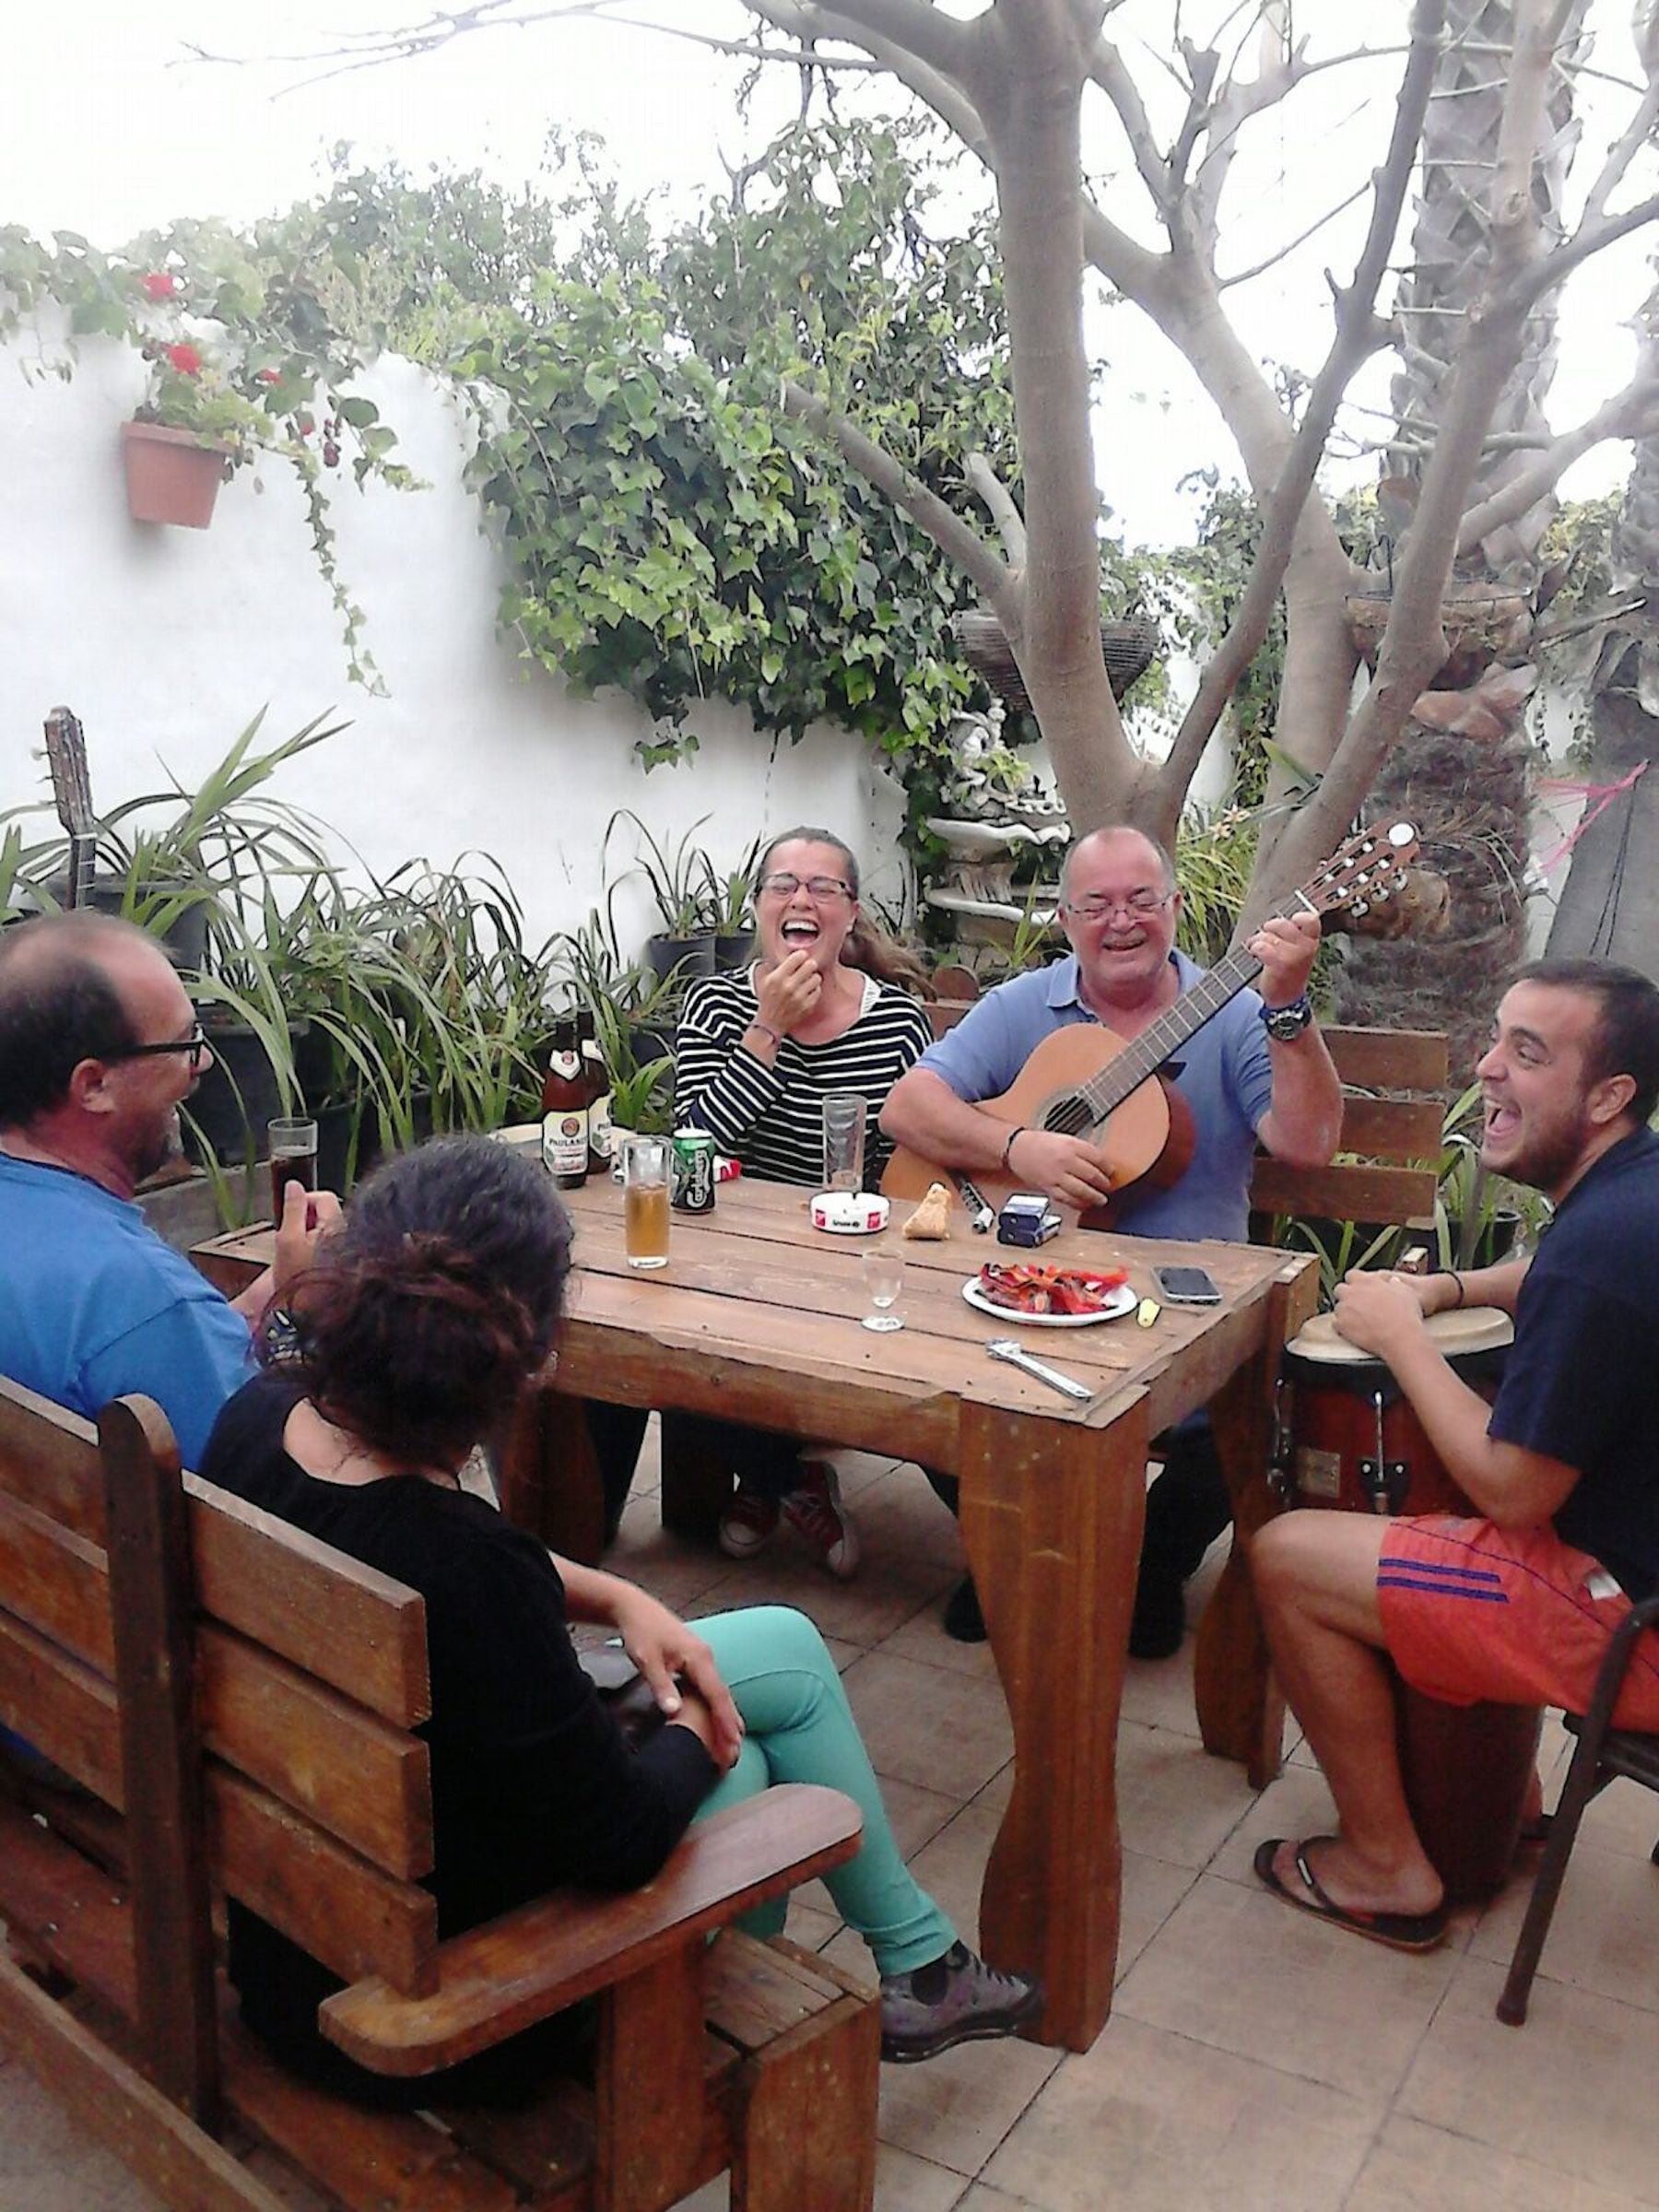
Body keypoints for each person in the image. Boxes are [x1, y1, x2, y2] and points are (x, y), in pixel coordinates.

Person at [200, 1134, 1042, 2094]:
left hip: (293, 1948)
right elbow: (621, 1838)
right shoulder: (473, 1571)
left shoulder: (254, 1425)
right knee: (757, 1769)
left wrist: (618, 1593)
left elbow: (436, 1554)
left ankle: (919, 1965)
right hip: (446, 2012)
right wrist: (692, 1717)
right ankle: (720, 2030)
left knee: (784, 1649)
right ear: (528, 1359)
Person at [1248, 958, 1659, 1950]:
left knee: (1289, 1555)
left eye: (1528, 1053)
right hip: (1635, 1571)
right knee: (1430, 1535)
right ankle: (1505, 1808)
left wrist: (1397, 1337)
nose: (1488, 1070)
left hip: (1629, 1625)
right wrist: (1450, 1291)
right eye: (1496, 1041)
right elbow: (1557, 1275)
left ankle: (1388, 1868)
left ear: (1609, 1096)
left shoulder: (1608, 1249)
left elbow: (1514, 1491)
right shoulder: (1632, 1190)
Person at [879, 824, 1341, 1649]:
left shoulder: (1237, 1015)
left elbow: (1307, 1145)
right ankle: (1016, 1543)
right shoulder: (1026, 1005)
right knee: (913, 1370)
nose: (1120, 921)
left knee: (1251, 1407)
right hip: (1030, 1293)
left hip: (1179, 1314)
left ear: (1176, 907)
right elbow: (906, 1108)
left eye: (1140, 900)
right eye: (1096, 904)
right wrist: (1018, 1147)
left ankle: (1148, 1565)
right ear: (1064, 918)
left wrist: (1290, 1011)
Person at [672, 826, 934, 1578]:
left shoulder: (894, 1021)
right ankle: (790, 1480)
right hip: (734, 1258)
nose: (802, 898)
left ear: (850, 915)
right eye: (784, 884)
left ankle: (763, 1478)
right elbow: (695, 1146)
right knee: (663, 1340)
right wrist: (769, 1030)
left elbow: (910, 1170)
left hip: (853, 1251)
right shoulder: (717, 1006)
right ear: (758, 908)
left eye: (824, 887)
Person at [0, 912, 335, 1468]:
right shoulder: (135, 1294)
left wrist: (274, 1289)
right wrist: (302, 1314)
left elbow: (140, 1347)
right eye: (182, 1044)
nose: (202, 1061)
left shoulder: (129, 1302)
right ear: (94, 1085)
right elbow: (285, 1489)